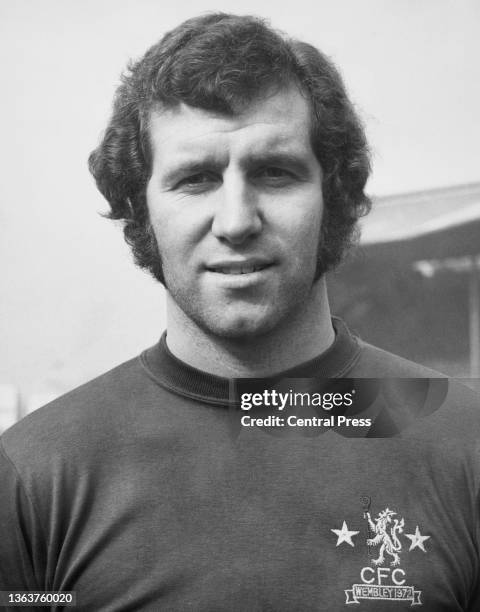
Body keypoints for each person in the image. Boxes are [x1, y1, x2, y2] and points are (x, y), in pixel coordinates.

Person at [1, 13, 479, 611]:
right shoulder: (31, 476)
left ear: (334, 196)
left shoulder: (466, 442)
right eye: (195, 178)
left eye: (275, 173)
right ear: (139, 209)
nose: (235, 221)